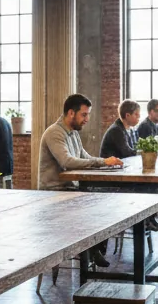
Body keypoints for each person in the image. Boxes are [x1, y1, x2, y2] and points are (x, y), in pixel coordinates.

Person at [37, 93, 123, 267]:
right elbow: (67, 162)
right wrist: (102, 162)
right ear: (71, 113)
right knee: (95, 204)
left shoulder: (73, 133)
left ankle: (94, 248)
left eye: (88, 114)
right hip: (54, 194)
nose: (87, 119)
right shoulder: (55, 133)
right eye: (84, 114)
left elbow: (84, 156)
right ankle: (91, 249)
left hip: (69, 189)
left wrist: (105, 163)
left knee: (105, 200)